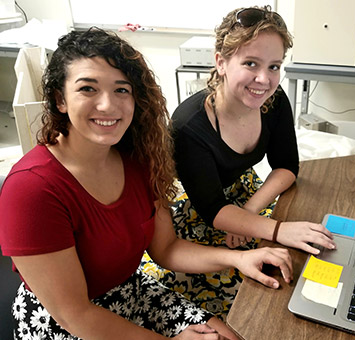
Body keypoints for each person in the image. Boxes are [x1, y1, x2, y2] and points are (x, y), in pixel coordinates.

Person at [0, 28, 293, 340]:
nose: (108, 105)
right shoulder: (32, 190)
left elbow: (166, 249)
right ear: (60, 99)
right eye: (88, 89)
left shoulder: (137, 158)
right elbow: (76, 315)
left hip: (131, 291)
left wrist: (239, 259)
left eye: (121, 90)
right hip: (66, 323)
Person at [165, 6, 335, 317]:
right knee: (261, 292)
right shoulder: (189, 126)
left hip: (242, 198)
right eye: (251, 63)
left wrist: (251, 211)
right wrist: (278, 229)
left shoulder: (274, 100)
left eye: (274, 66)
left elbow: (287, 167)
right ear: (221, 62)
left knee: (305, 256)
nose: (264, 79)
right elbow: (213, 210)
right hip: (195, 209)